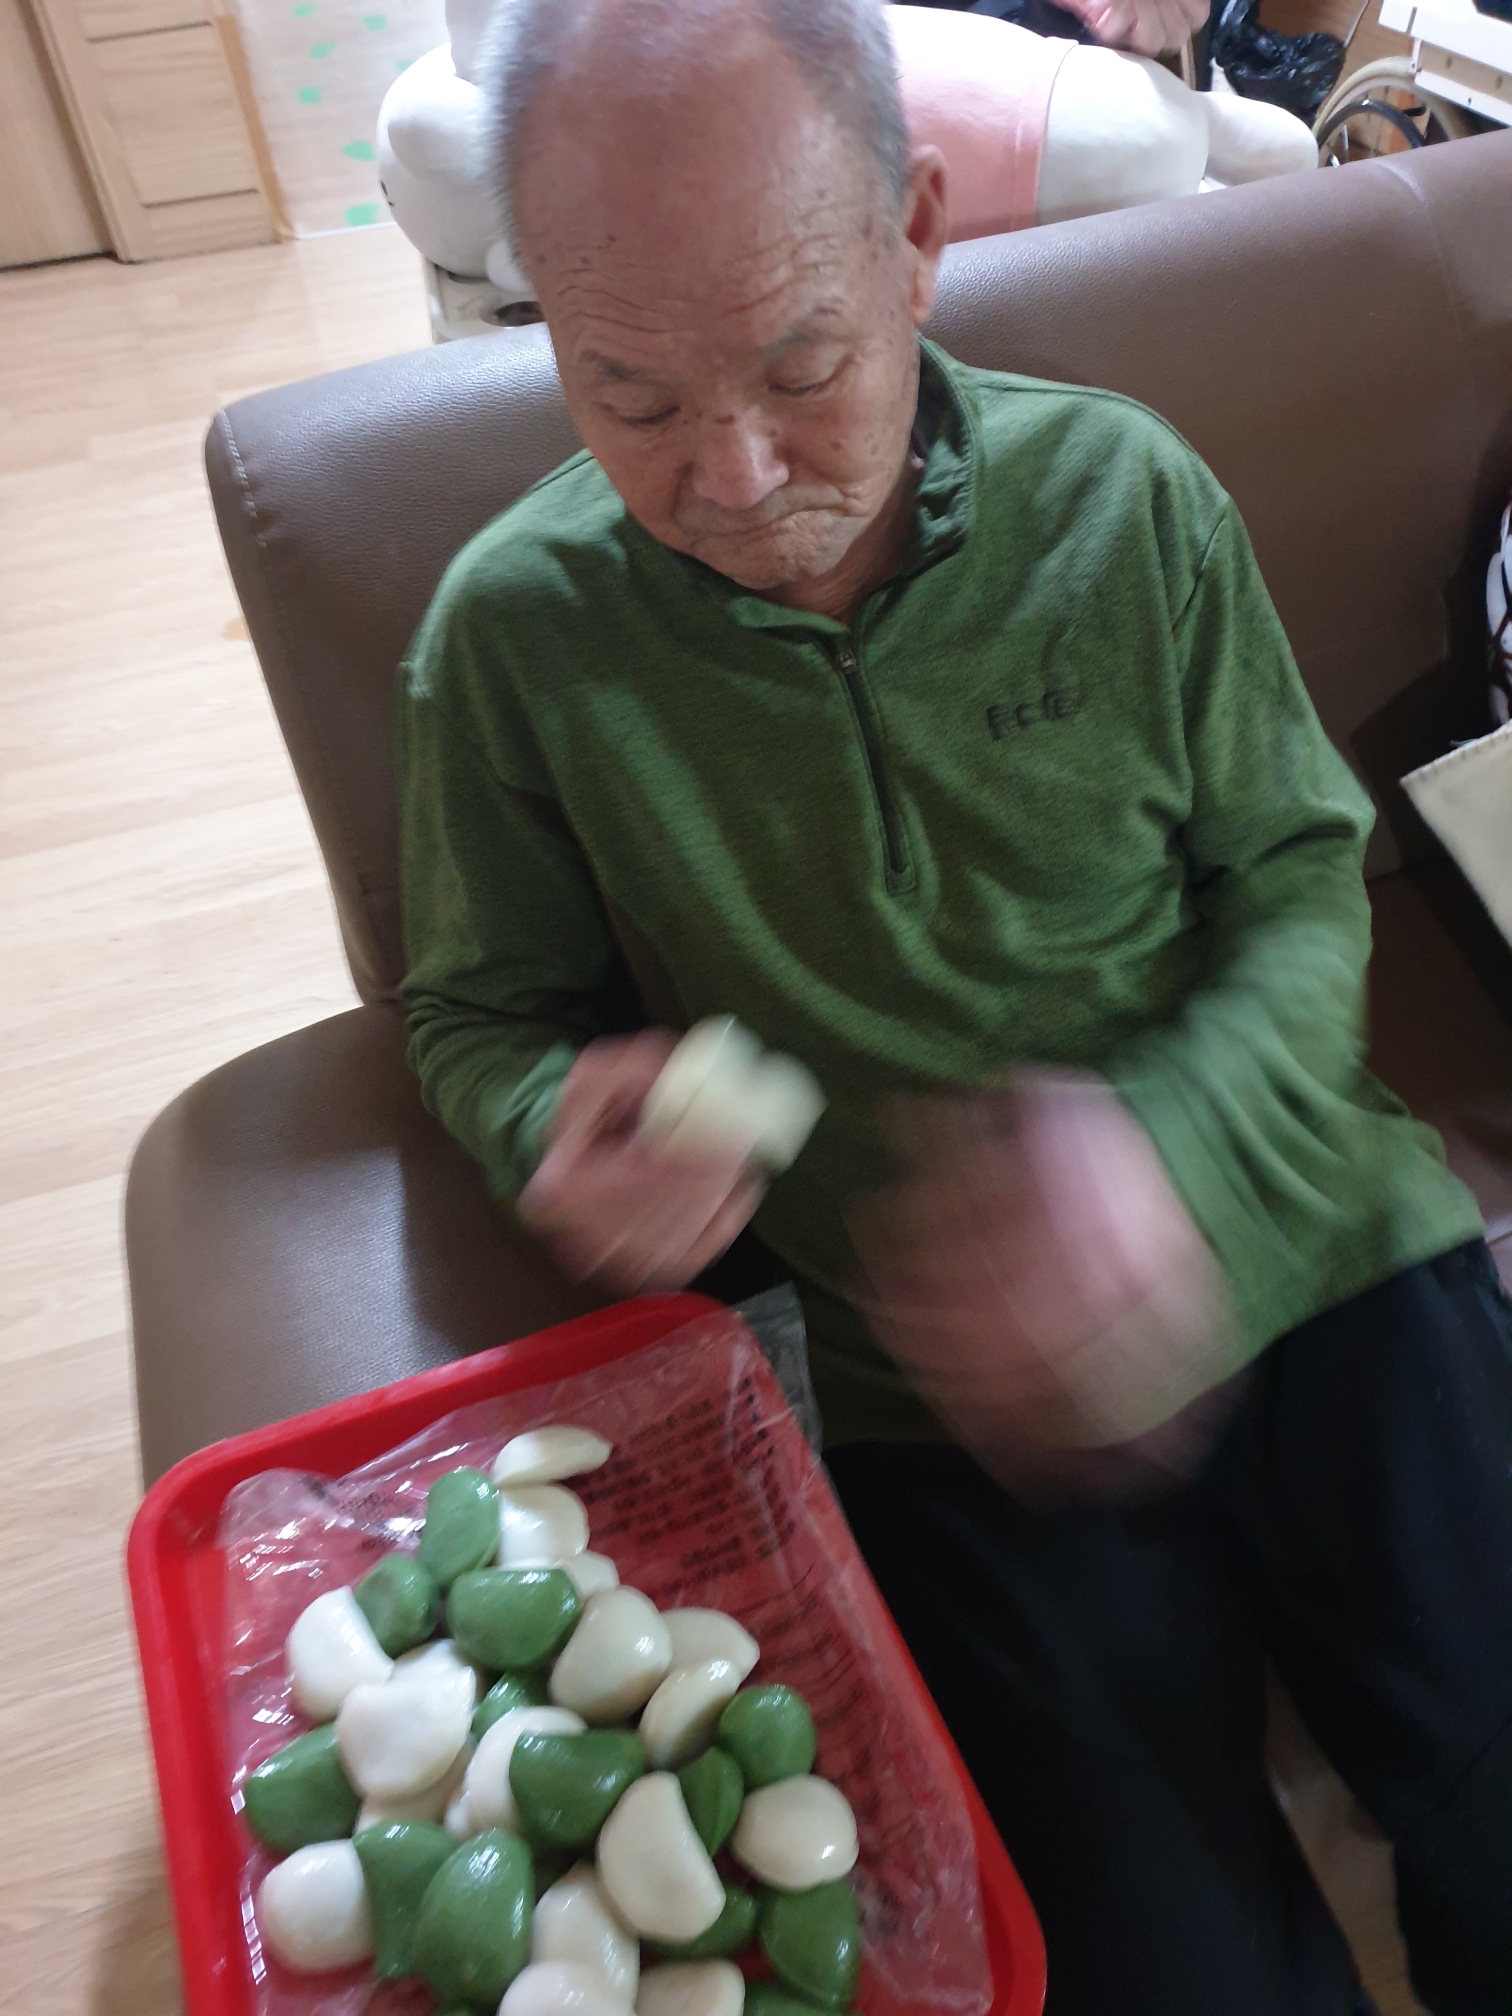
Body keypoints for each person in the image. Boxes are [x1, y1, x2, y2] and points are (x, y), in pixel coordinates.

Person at [395, 1, 1512, 2009]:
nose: (734, 477)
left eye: (801, 366)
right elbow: (480, 1015)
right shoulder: (514, 643)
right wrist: (550, 1121)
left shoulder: (1124, 499)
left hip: (1324, 1244)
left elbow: (1294, 873)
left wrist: (1164, 1152)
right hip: (938, 1398)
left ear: (915, 238)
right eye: (627, 393)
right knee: (1158, 1970)